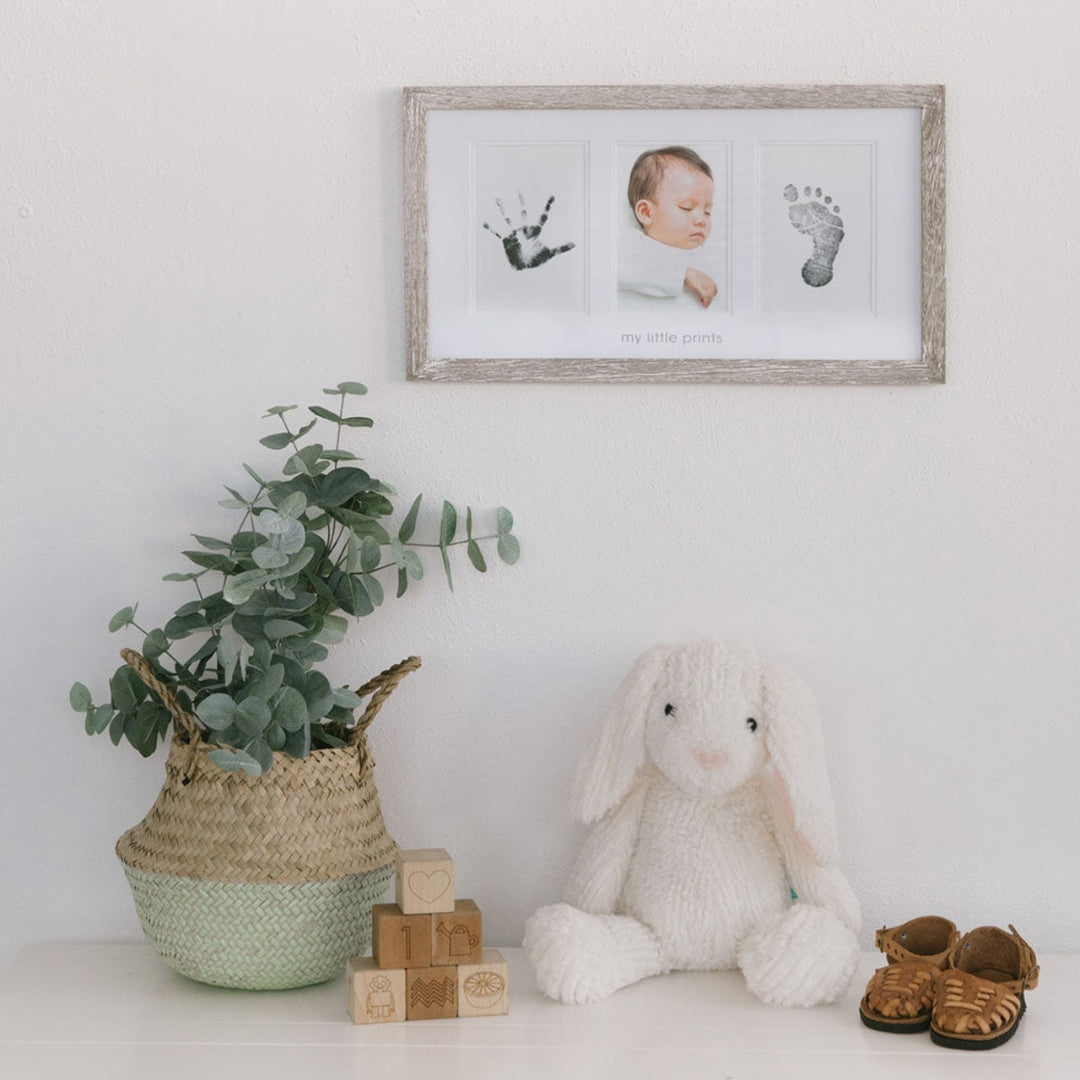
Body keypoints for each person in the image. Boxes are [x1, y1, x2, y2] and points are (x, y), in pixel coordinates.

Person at [618, 146, 717, 308]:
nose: (701, 220)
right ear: (646, 212)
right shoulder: (632, 244)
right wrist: (682, 275)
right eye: (687, 207)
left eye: (707, 212)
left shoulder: (706, 252)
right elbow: (623, 269)